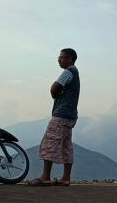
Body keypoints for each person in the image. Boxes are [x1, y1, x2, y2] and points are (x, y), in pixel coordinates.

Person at [28, 48, 80, 187]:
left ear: (70, 59)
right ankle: (65, 178)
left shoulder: (68, 71)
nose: (59, 59)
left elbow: (54, 88)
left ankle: (45, 177)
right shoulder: (75, 73)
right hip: (71, 116)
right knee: (66, 146)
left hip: (61, 114)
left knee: (50, 143)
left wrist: (54, 94)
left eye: (62, 57)